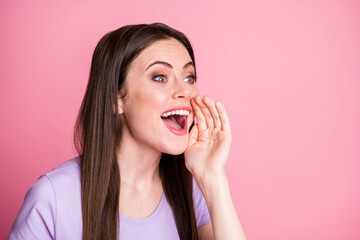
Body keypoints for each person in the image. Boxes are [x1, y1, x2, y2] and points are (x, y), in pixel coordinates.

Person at [7, 23, 247, 240]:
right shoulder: (54, 197)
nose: (185, 92)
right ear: (116, 98)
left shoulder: (194, 190)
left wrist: (214, 177)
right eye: (160, 77)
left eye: (189, 77)